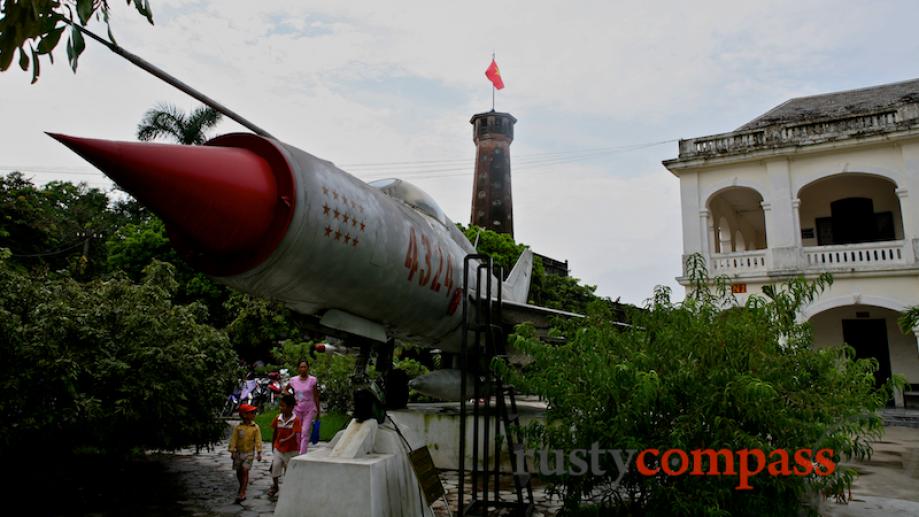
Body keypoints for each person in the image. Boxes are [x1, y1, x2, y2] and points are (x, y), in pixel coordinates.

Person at [268, 394, 302, 497]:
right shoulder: (277, 418)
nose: (281, 408)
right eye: (280, 405)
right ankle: (275, 486)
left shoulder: (295, 420)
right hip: (279, 449)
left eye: (283, 406)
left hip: (291, 450)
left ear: (291, 407)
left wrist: (284, 439)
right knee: (275, 467)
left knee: (289, 470)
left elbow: (294, 433)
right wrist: (273, 445)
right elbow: (275, 432)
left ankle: (288, 488)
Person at [228, 403, 262, 503]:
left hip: (249, 453)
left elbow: (258, 440)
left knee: (245, 470)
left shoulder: (255, 427)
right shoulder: (238, 428)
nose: (254, 414)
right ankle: (241, 486)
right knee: (239, 471)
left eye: (254, 412)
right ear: (244, 415)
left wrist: (259, 452)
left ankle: (243, 492)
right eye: (251, 412)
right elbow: (234, 439)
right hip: (238, 453)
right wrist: (232, 450)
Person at [285, 358, 320, 455]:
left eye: (305, 367)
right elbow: (285, 390)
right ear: (298, 369)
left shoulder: (312, 380)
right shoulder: (293, 380)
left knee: (305, 431)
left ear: (308, 368)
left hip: (309, 408)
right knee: (297, 431)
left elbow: (316, 396)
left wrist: (318, 411)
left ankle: (302, 453)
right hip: (297, 408)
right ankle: (297, 450)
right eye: (301, 367)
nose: (303, 369)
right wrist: (292, 398)